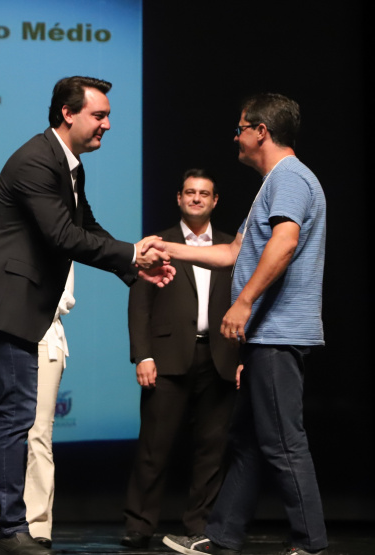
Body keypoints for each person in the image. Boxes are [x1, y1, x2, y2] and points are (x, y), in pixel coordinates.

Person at [0, 75, 174, 555]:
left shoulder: (69, 166)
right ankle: (9, 529)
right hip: (8, 303)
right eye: (99, 115)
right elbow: (64, 237)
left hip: (16, 303)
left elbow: (86, 224)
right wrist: (131, 255)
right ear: (68, 113)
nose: (108, 124)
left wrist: (134, 269)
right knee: (18, 413)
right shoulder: (35, 161)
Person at [158, 93, 328, 555]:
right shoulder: (276, 181)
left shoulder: (289, 177)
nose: (236, 136)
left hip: (278, 332)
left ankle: (310, 543)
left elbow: (285, 242)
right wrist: (167, 247)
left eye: (240, 128)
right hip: (265, 336)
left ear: (261, 132)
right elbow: (233, 253)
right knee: (249, 440)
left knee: (282, 442)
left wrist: (244, 303)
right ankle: (223, 534)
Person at [122, 170, 239, 549]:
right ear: (178, 198)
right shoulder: (160, 243)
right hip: (167, 356)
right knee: (155, 447)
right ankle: (139, 525)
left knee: (212, 450)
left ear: (215, 201)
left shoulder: (230, 247)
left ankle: (199, 527)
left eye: (204, 193)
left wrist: (242, 356)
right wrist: (143, 354)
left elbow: (245, 302)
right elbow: (140, 303)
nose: (196, 198)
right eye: (190, 192)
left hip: (219, 355)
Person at [0, 268, 76, 548]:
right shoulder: (0, 231)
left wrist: (20, 301)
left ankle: (37, 524)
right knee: (3, 430)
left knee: (39, 435)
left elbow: (65, 297)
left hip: (45, 340)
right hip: (3, 338)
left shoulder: (63, 236)